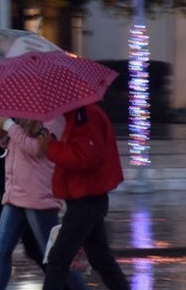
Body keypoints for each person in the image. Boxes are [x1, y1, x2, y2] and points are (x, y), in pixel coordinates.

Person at [0, 116, 88, 290]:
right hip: (14, 195)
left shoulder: (55, 120)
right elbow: (12, 145)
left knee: (56, 257)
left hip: (38, 197)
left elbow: (37, 149)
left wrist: (11, 127)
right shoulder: (24, 117)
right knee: (1, 252)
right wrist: (2, 132)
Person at [37, 103, 130, 290]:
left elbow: (86, 157)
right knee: (101, 259)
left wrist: (51, 147)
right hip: (83, 199)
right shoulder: (75, 116)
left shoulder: (85, 116)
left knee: (58, 259)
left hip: (86, 200)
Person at [0, 116, 48, 289]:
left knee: (39, 250)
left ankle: (65, 283)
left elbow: (33, 148)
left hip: (23, 192)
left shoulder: (30, 118)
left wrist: (10, 125)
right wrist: (0, 127)